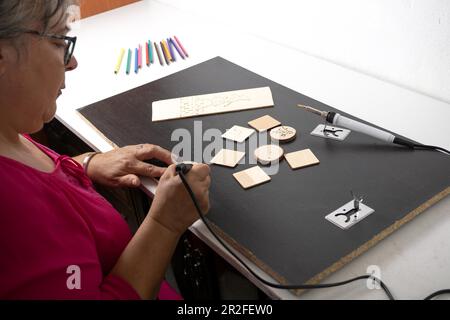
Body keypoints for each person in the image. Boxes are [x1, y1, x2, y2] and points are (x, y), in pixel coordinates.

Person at [0, 0, 211, 299]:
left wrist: (82, 165)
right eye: (60, 40)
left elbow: (29, 181)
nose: (71, 63)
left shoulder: (8, 130)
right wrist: (165, 223)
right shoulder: (9, 211)